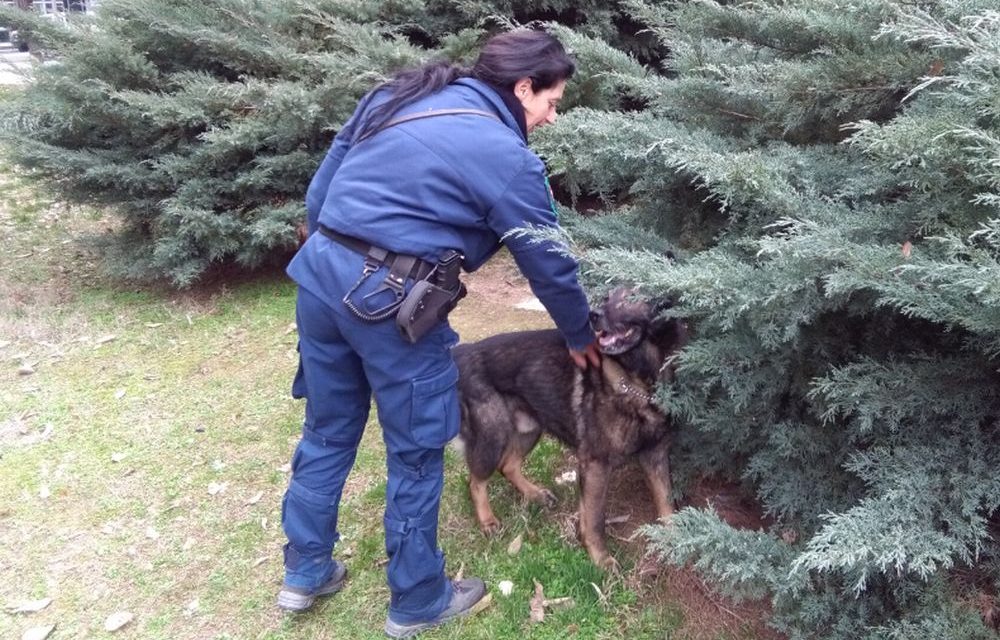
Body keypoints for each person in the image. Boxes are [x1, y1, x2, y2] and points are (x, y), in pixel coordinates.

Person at [276, 28, 601, 638]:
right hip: (393, 305)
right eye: (551, 102)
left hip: (318, 281)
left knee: (326, 429)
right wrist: (579, 335)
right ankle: (419, 597)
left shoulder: (397, 95)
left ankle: (305, 569)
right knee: (417, 448)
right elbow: (549, 261)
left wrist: (334, 260)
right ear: (522, 88)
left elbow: (322, 189)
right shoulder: (508, 157)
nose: (551, 118)